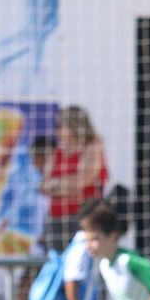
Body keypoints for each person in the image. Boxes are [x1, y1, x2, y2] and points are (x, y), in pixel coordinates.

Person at [40, 106, 109, 253]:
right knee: (57, 261)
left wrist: (56, 185)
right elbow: (44, 186)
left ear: (73, 125)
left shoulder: (93, 146)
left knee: (83, 261)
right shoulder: (56, 152)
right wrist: (70, 185)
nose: (57, 131)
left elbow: (84, 180)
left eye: (60, 126)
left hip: (83, 217)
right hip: (56, 217)